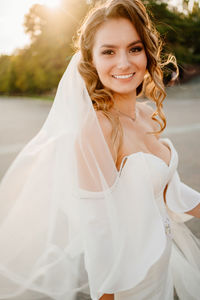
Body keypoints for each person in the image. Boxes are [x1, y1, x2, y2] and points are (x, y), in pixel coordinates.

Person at [0, 0, 199, 300]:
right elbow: (99, 238)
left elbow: (174, 191)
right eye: (108, 51)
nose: (123, 63)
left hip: (161, 270)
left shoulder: (145, 115)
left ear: (147, 52)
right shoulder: (97, 129)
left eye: (134, 48)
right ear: (91, 60)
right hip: (129, 287)